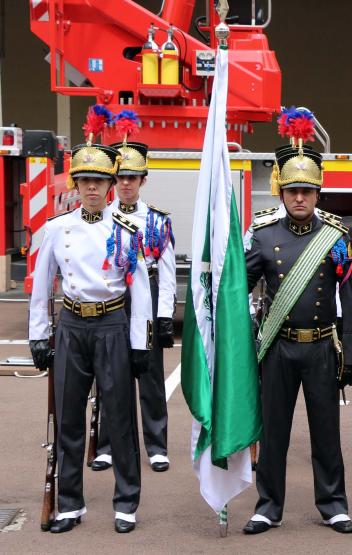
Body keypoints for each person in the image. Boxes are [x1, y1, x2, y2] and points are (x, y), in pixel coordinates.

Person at [29, 125, 152, 533]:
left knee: (119, 417)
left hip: (112, 324)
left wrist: (140, 343)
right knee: (67, 420)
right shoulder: (57, 229)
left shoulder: (127, 229)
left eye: (100, 182)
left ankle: (126, 502)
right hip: (72, 326)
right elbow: (42, 284)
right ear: (76, 184)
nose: (92, 189)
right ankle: (69, 504)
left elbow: (142, 290)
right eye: (85, 181)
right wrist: (38, 334)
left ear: (112, 185)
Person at [242, 125, 352, 535]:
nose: (299, 198)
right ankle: (267, 506)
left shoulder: (337, 238)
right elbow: (236, 290)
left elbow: (351, 299)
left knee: (326, 433)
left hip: (321, 350)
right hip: (278, 348)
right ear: (281, 193)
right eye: (292, 190)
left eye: (307, 191)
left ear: (317, 194)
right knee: (273, 433)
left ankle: (333, 505)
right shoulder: (262, 236)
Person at [93, 133, 176, 473]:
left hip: (149, 295)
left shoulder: (157, 220)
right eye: (121, 177)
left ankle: (156, 446)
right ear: (113, 180)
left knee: (151, 374)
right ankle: (108, 445)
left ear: (143, 180)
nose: (126, 183)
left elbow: (167, 271)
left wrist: (165, 314)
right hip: (113, 299)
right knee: (110, 375)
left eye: (132, 177)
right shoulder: (99, 217)